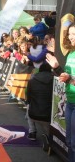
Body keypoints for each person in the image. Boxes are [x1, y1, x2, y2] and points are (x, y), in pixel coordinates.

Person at [46, 23, 75, 162]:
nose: (71, 37)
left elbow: (70, 79)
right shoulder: (70, 53)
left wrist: (70, 79)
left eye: (74, 34)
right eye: (70, 34)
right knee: (69, 142)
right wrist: (57, 68)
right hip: (70, 102)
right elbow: (66, 76)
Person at [26, 63, 53, 141]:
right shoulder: (54, 79)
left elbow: (29, 99)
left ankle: (32, 132)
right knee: (47, 128)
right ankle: (50, 139)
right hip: (48, 115)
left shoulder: (31, 80)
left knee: (29, 107)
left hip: (33, 114)